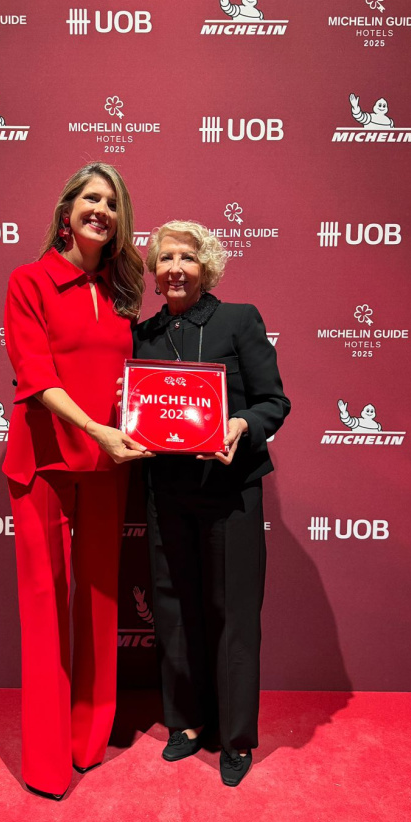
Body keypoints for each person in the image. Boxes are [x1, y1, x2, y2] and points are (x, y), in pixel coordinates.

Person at [3, 163, 150, 799]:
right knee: (44, 614)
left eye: (112, 205)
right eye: (92, 199)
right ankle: (45, 763)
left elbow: (132, 386)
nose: (102, 211)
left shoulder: (120, 295)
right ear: (67, 210)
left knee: (100, 606)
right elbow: (34, 378)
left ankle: (89, 743)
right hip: (43, 466)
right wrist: (96, 429)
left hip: (107, 468)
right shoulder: (28, 280)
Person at [133, 220, 290, 787]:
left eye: (188, 258)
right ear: (153, 271)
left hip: (231, 493)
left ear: (208, 267)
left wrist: (240, 424)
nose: (175, 267)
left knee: (235, 615)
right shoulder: (143, 335)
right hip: (166, 494)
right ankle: (186, 723)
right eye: (165, 257)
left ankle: (236, 737)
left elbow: (274, 402)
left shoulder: (239, 319)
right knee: (173, 609)